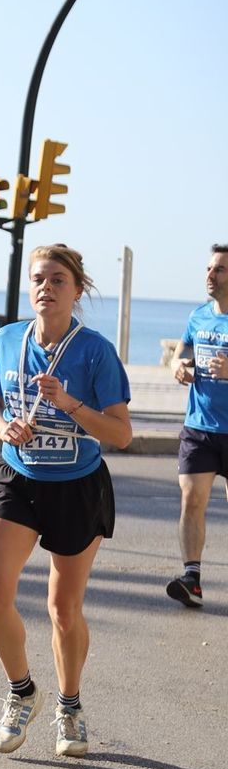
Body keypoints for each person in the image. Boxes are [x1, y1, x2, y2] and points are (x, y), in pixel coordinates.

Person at [0, 244, 132, 759]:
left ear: (77, 290)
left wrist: (69, 403)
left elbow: (122, 433)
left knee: (63, 610)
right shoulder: (6, 340)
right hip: (17, 478)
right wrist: (4, 427)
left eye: (58, 280)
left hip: (77, 485)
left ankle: (70, 706)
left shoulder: (95, 352)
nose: (46, 287)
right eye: (39, 279)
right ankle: (22, 693)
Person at [164, 243, 228, 609]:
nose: (210, 275)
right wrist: (178, 367)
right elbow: (181, 353)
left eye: (219, 269)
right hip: (200, 427)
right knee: (192, 499)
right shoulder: (199, 316)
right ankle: (192, 578)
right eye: (209, 268)